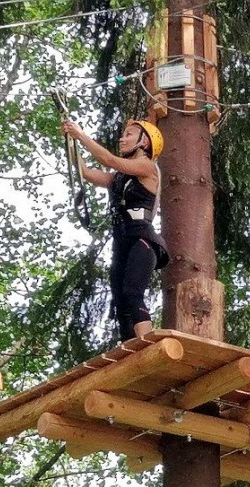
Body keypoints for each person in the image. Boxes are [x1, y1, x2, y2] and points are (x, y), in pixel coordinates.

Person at [61, 119, 169, 342]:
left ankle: (147, 344)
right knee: (120, 299)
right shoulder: (119, 178)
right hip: (121, 241)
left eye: (129, 134)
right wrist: (72, 143)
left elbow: (108, 159)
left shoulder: (147, 167)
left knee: (132, 292)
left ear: (144, 143)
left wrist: (80, 135)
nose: (122, 138)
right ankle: (130, 347)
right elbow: (86, 173)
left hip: (142, 239)